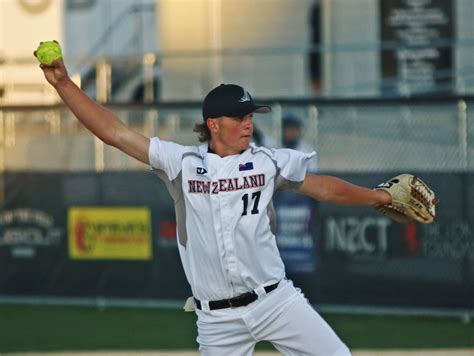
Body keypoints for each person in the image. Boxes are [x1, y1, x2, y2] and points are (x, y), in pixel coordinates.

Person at [36, 50, 391, 355]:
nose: (248, 125)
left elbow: (324, 189)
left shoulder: (267, 161)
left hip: (275, 301)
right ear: (213, 124)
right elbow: (114, 133)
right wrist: (64, 83)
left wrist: (379, 196)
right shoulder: (183, 164)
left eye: (250, 116)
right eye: (239, 118)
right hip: (218, 320)